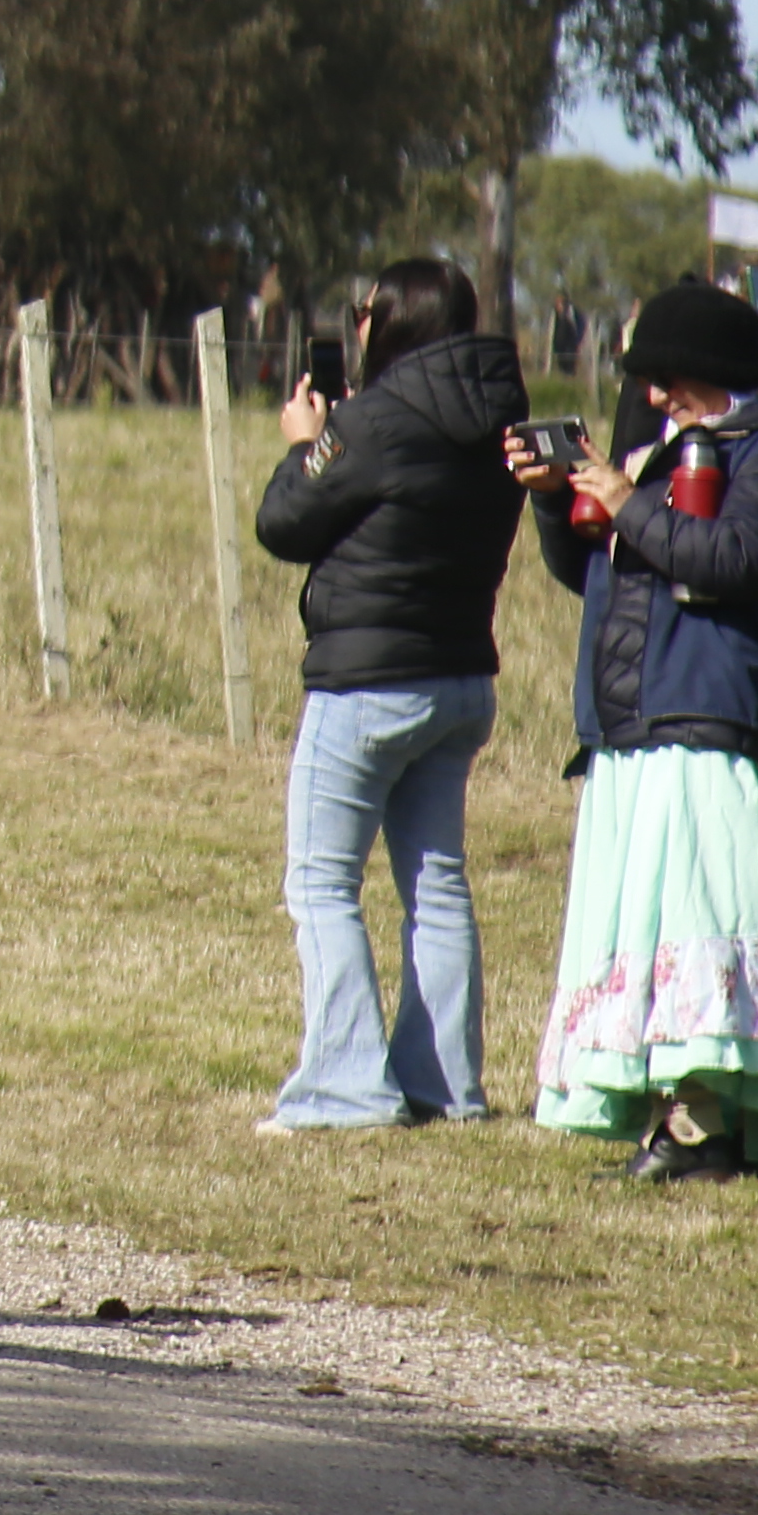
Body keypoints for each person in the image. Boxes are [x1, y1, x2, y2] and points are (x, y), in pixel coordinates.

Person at [513, 278, 758, 1177]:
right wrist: (558, 499)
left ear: (718, 371)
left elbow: (741, 559)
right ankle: (681, 1115)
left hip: (716, 725)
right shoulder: (667, 452)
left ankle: (703, 1123)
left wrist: (629, 501)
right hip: (644, 724)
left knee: (708, 926)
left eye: (670, 376)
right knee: (661, 935)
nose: (653, 395)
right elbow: (605, 571)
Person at [245, 254, 529, 1130]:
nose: (356, 324)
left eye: (364, 311)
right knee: (436, 887)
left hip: (367, 684)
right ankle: (444, 1085)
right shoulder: (501, 414)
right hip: (460, 677)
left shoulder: (370, 421)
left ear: (394, 321)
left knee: (322, 882)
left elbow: (284, 522)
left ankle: (343, 1088)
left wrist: (307, 443)